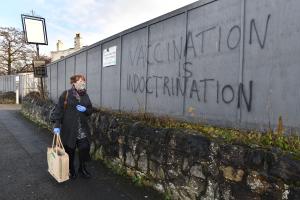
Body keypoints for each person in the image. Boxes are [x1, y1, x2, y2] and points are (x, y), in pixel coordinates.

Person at [52, 74, 93, 179]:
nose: (82, 83)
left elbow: (90, 110)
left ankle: (82, 169)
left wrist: (85, 110)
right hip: (69, 129)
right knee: (70, 150)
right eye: (80, 81)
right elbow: (59, 110)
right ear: (74, 83)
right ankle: (71, 169)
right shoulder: (66, 94)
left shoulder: (85, 95)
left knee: (85, 148)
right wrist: (57, 125)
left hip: (82, 129)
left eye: (84, 81)